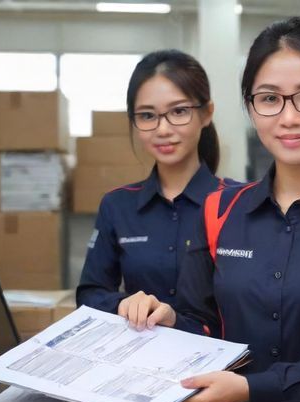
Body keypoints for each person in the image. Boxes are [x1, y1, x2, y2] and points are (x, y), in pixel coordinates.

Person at [125, 16, 300, 402]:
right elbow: (202, 323)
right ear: (250, 106)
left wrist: (250, 390)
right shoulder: (221, 210)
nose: (289, 117)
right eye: (269, 99)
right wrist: (168, 319)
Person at [76, 49, 223, 316]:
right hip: (140, 353)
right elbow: (89, 293)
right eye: (147, 116)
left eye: (178, 111)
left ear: (206, 113)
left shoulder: (238, 203)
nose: (163, 129)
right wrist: (123, 303)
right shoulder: (117, 205)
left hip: (226, 356)